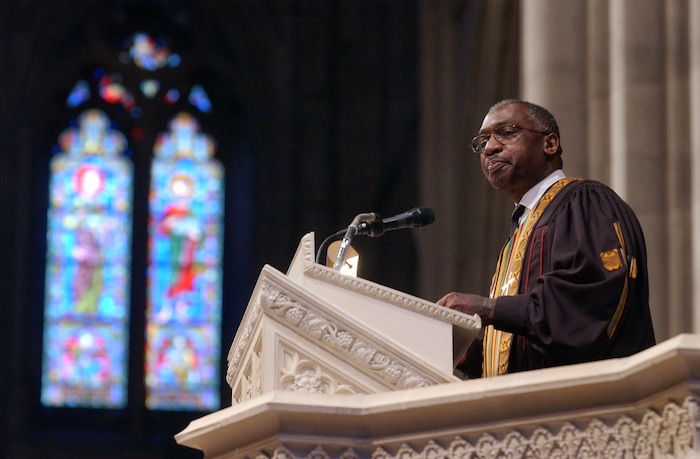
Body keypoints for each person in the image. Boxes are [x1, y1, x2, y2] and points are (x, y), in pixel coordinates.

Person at [437, 99, 655, 378]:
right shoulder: (520, 234)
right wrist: (464, 354)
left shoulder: (584, 201)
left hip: (586, 407)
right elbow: (532, 343)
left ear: (549, 144)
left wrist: (488, 308)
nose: (490, 147)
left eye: (506, 132)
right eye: (482, 141)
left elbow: (589, 307)